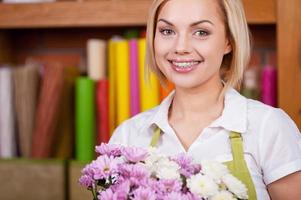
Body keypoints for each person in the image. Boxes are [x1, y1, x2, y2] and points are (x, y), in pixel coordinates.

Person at [109, 0, 301, 199]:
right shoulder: (128, 137)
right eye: (167, 31)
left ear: (229, 41)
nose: (180, 47)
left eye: (201, 32)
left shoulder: (269, 127)